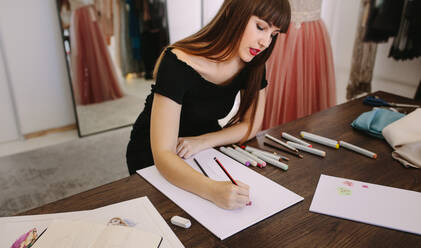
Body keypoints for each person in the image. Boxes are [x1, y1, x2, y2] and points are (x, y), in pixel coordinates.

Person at [126, 0, 291, 210]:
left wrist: (202, 141)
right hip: (152, 150)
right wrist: (212, 190)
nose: (265, 42)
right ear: (232, 12)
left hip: (202, 146)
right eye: (261, 27)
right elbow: (163, 154)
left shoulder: (254, 62)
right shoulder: (177, 62)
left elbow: (251, 125)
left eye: (273, 34)